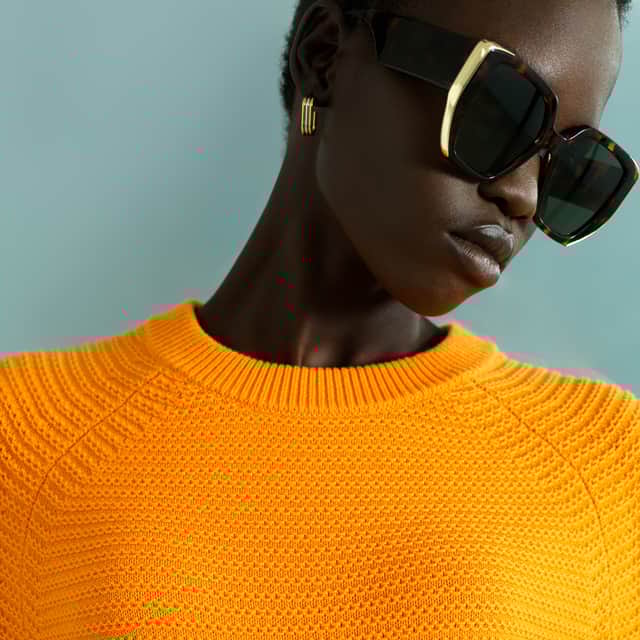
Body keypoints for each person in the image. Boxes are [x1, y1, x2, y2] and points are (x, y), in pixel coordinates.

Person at [1, 1, 639, 637]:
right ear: (326, 56)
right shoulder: (25, 441)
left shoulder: (611, 469)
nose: (523, 195)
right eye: (500, 111)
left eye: (573, 166)